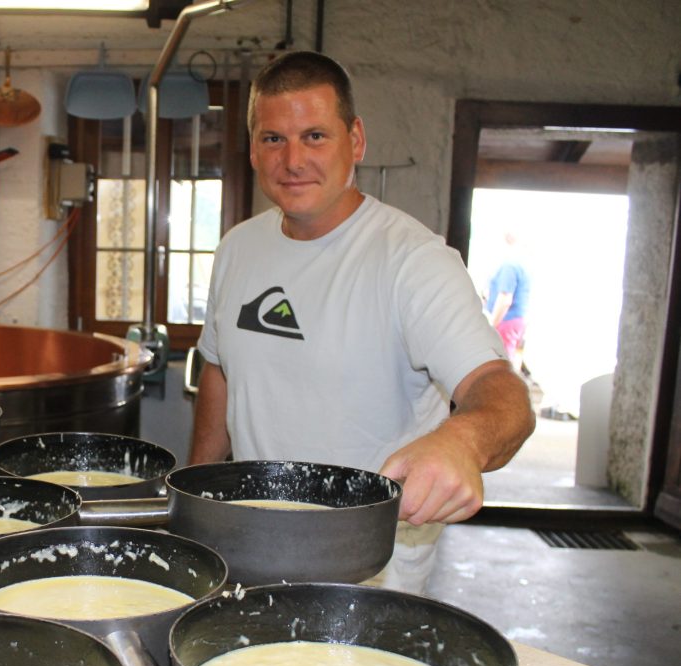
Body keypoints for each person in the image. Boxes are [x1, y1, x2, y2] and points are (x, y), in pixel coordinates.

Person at [189, 51, 535, 594]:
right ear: (253, 148)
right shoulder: (238, 248)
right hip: (254, 539)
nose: (293, 160)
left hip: (372, 563)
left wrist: (462, 442)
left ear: (357, 140)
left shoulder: (412, 260)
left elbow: (503, 394)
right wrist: (197, 495)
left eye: (315, 136)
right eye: (273, 138)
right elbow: (219, 370)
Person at [486, 232, 532, 371]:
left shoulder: (509, 265)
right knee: (509, 361)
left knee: (501, 364)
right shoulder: (521, 264)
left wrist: (491, 327)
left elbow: (505, 299)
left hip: (505, 322)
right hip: (515, 322)